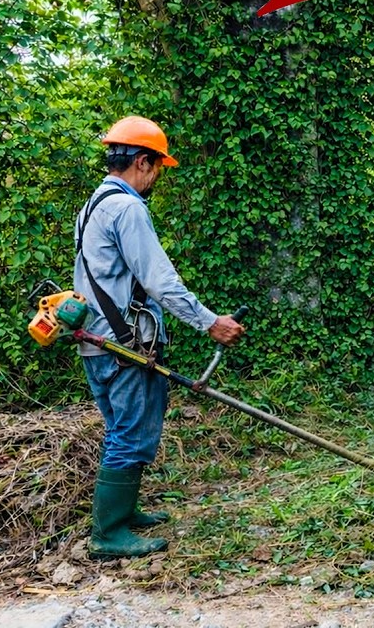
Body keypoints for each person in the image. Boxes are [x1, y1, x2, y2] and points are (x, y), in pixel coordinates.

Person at [75, 116, 246, 558]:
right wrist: (210, 321)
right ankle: (108, 534)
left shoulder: (94, 203)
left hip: (95, 338)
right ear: (143, 162)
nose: (156, 179)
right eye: (157, 169)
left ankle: (123, 513)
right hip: (122, 344)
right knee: (129, 433)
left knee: (120, 428)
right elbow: (160, 282)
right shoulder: (128, 208)